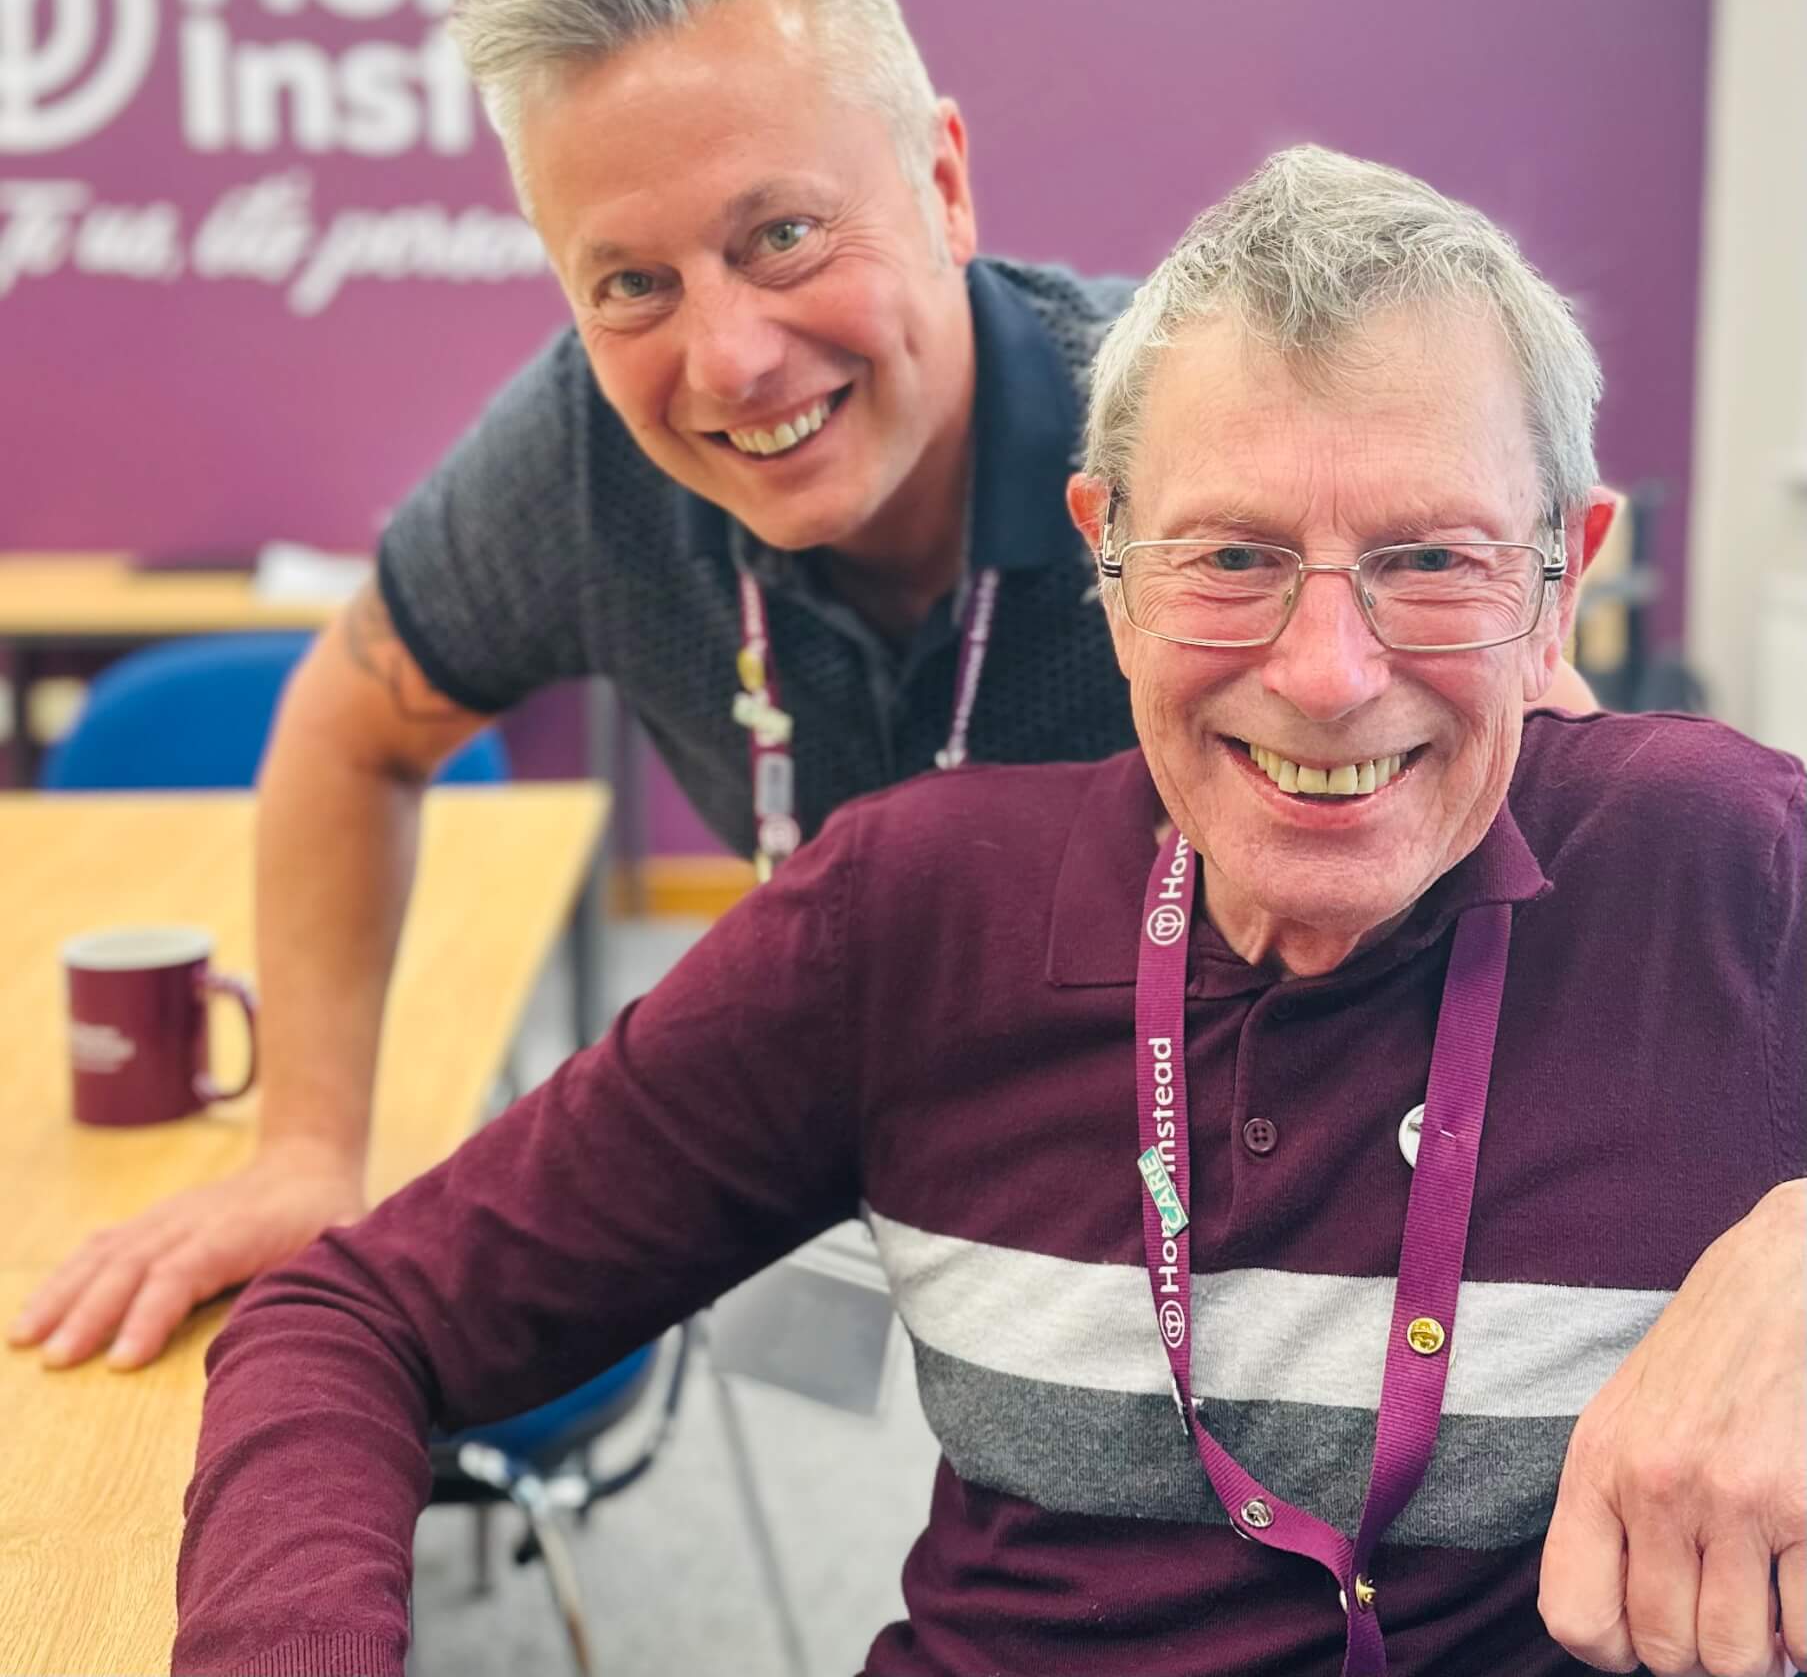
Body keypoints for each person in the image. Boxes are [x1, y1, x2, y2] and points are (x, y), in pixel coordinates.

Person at [171, 149, 1802, 1677]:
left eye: (1430, 558)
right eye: (1229, 556)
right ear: (1107, 563)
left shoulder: (1716, 868)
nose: (1326, 674)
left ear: (1559, 584)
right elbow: (354, 1321)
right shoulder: (916, 910)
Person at [11, 0, 1604, 1378]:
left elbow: (1555, 766)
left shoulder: (1183, 435)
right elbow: (350, 730)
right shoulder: (582, 460)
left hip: (1280, 1199)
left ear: (946, 185)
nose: (730, 359)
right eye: (630, 281)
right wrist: (305, 1149)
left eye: (781, 236)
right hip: (895, 1170)